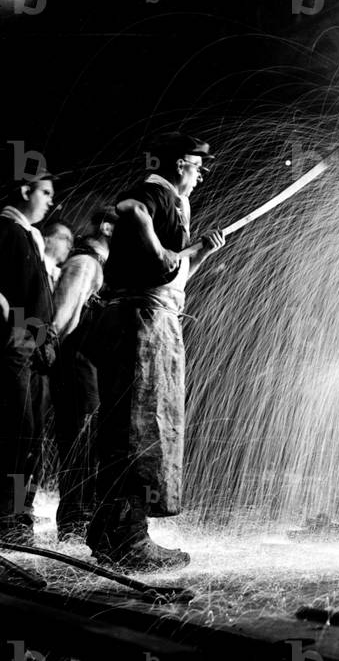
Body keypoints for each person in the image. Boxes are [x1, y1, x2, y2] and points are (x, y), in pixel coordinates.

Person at [86, 133, 224, 571]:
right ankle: (128, 539)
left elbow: (173, 274)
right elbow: (127, 211)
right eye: (198, 167)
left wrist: (198, 252)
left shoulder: (170, 203)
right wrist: (162, 252)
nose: (201, 175)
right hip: (143, 325)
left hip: (145, 319)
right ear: (181, 164)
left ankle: (110, 531)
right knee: (141, 426)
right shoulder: (156, 194)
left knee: (132, 423)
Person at [50, 207, 115, 541]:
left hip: (85, 368)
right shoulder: (85, 263)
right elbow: (61, 318)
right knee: (78, 441)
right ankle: (74, 522)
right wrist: (47, 353)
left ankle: (79, 518)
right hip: (75, 367)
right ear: (106, 227)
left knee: (84, 442)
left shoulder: (96, 265)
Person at [0, 171, 57, 545]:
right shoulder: (5, 230)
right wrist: (10, 326)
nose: (51, 200)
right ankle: (7, 518)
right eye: (46, 192)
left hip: (29, 349)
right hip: (15, 347)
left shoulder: (25, 234)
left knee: (29, 433)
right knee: (16, 431)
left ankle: (18, 516)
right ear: (25, 190)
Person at [41, 221, 74, 291]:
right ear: (46, 240)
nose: (69, 246)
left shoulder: (57, 278)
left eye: (70, 242)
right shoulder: (30, 265)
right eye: (65, 239)